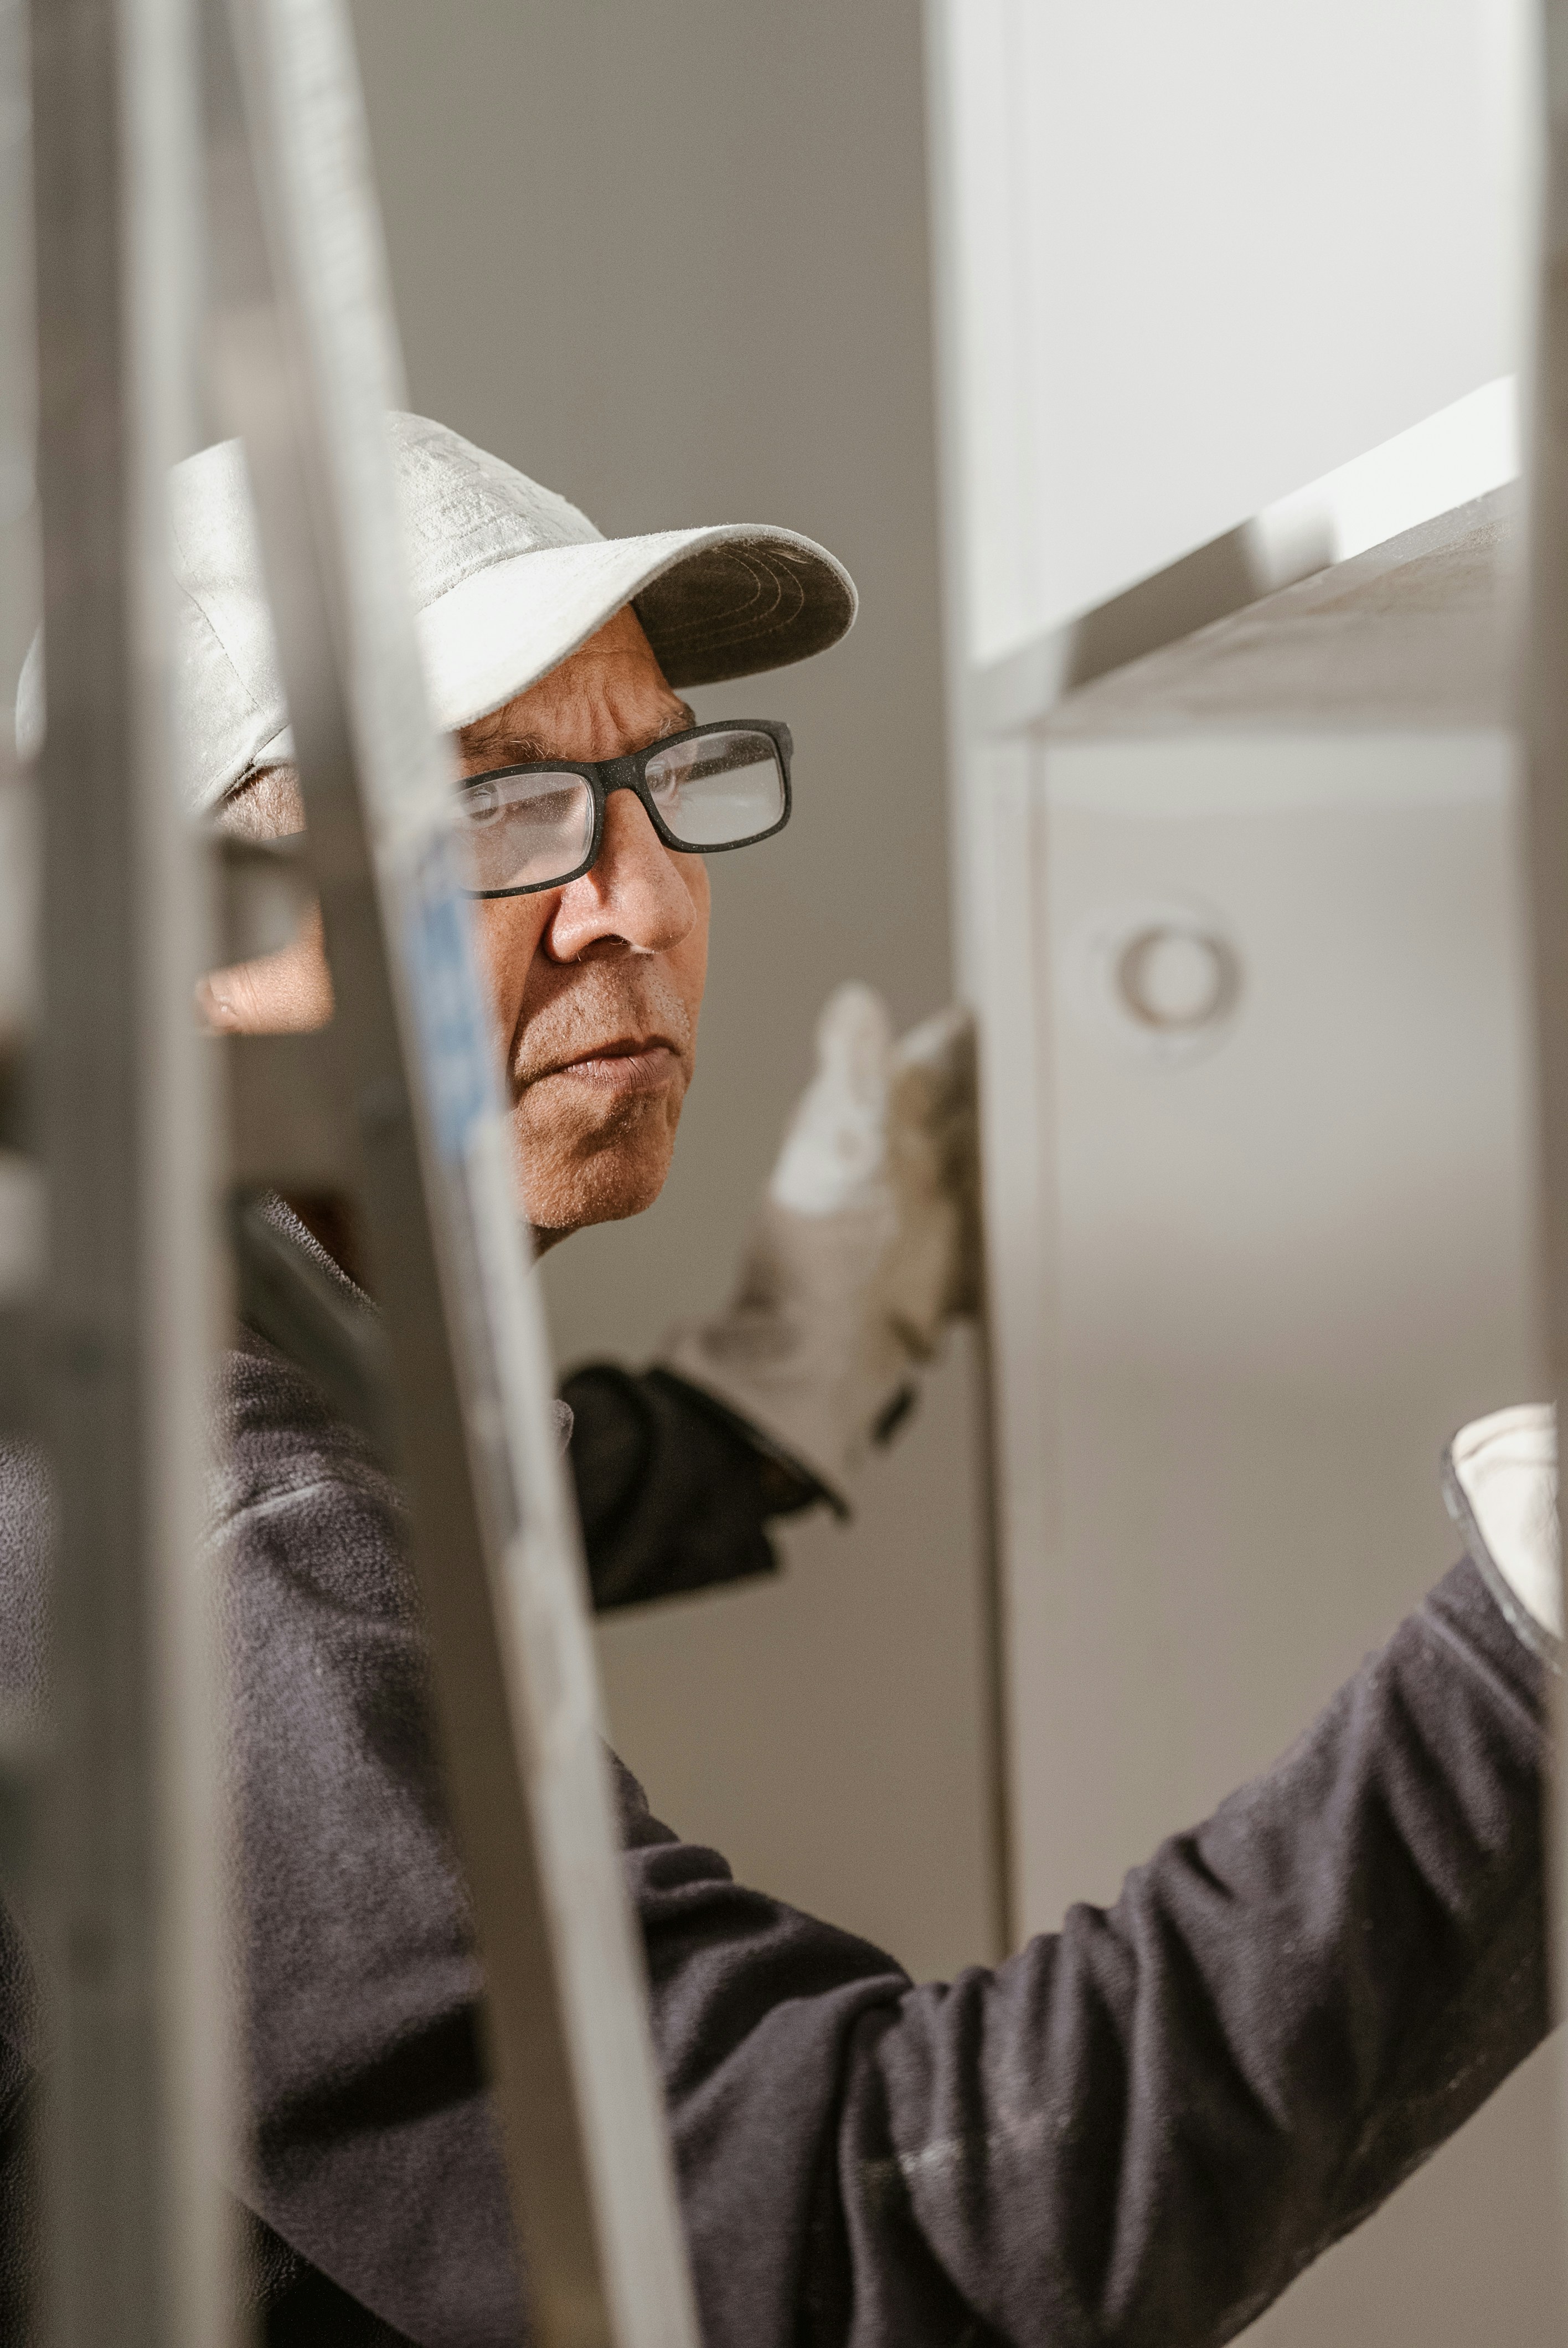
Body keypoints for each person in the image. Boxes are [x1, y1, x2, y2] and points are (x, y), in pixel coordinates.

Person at [0, 414, 1556, 2348]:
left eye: (663, 784)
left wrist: (767, 1401)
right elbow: (833, 2257)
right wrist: (1524, 1683)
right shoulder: (191, 1547)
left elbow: (395, 1553)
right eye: (489, 809)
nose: (638, 902)